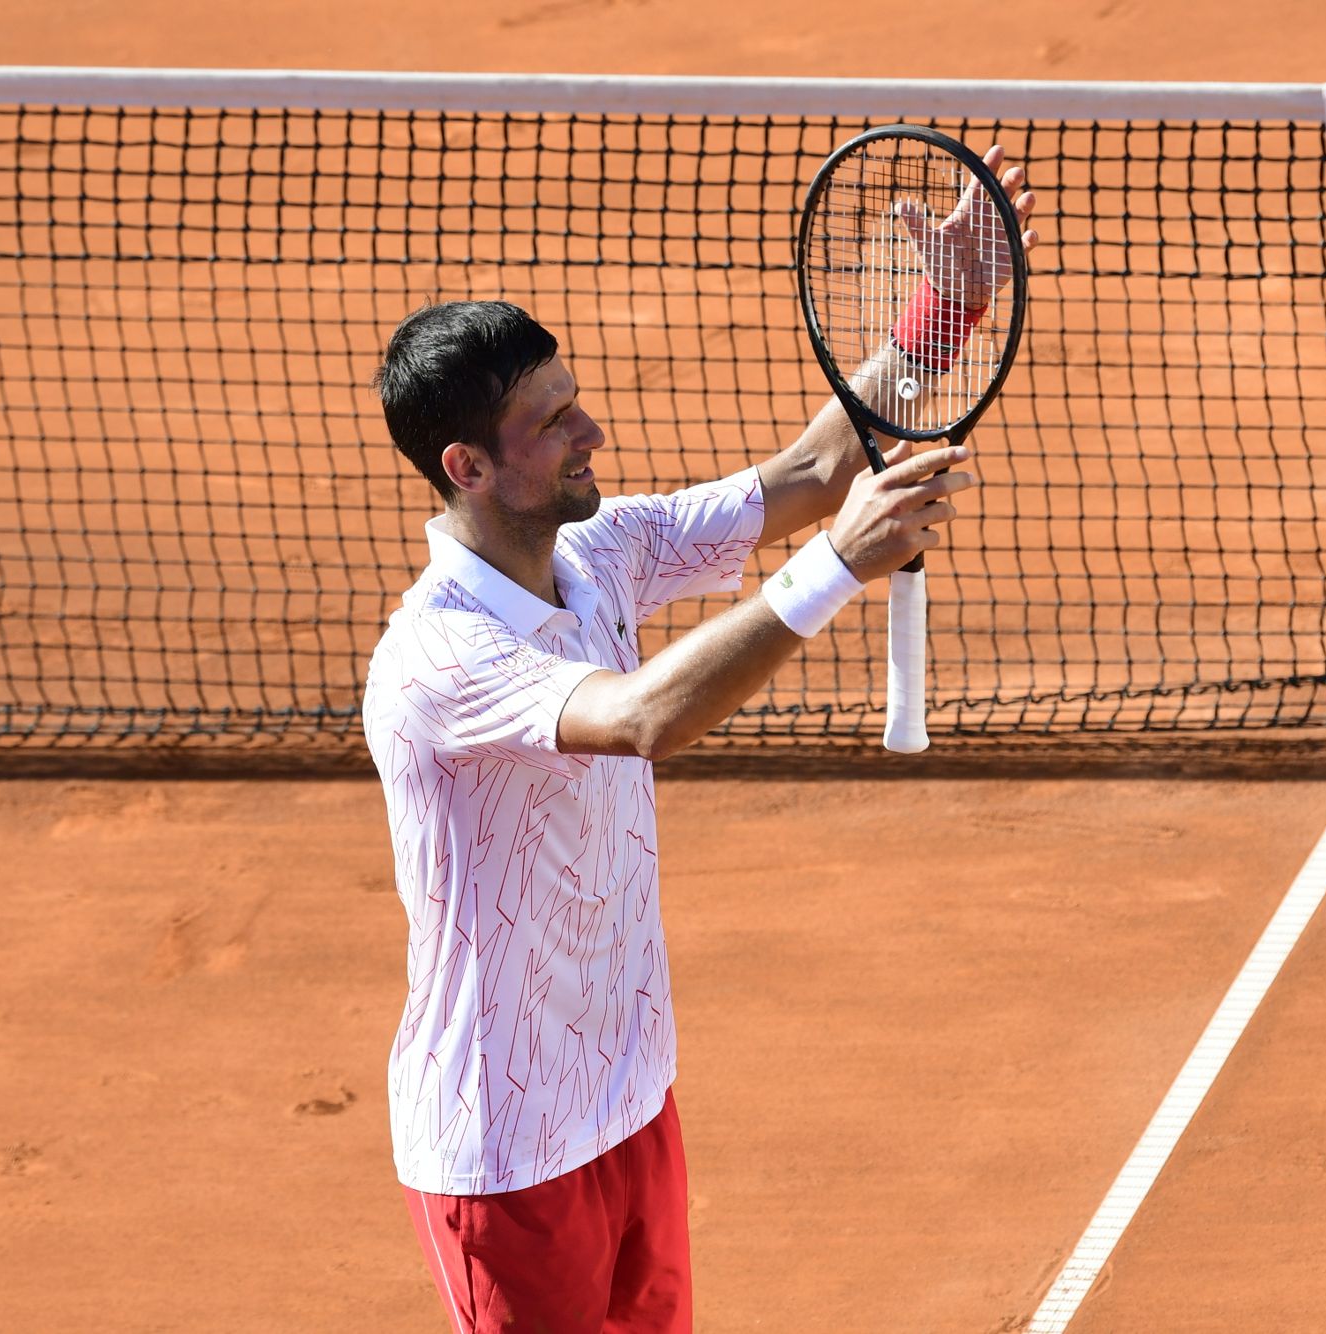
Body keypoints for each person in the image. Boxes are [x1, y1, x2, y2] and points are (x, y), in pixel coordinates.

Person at [362, 146, 1038, 1334]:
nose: (591, 429)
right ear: (467, 467)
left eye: (571, 397)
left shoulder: (601, 548)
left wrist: (944, 312)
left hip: (627, 1096)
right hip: (506, 1151)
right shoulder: (435, 657)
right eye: (551, 419)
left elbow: (816, 469)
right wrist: (837, 566)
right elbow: (641, 718)